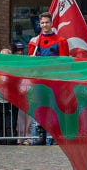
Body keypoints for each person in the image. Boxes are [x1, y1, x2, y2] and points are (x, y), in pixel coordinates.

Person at [26, 12, 67, 145]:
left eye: (47, 22)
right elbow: (30, 63)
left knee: (54, 107)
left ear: (51, 23)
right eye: (42, 23)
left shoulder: (61, 41)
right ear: (40, 24)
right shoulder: (34, 42)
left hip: (55, 79)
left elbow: (65, 62)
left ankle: (55, 135)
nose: (45, 25)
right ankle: (40, 135)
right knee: (40, 107)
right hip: (39, 79)